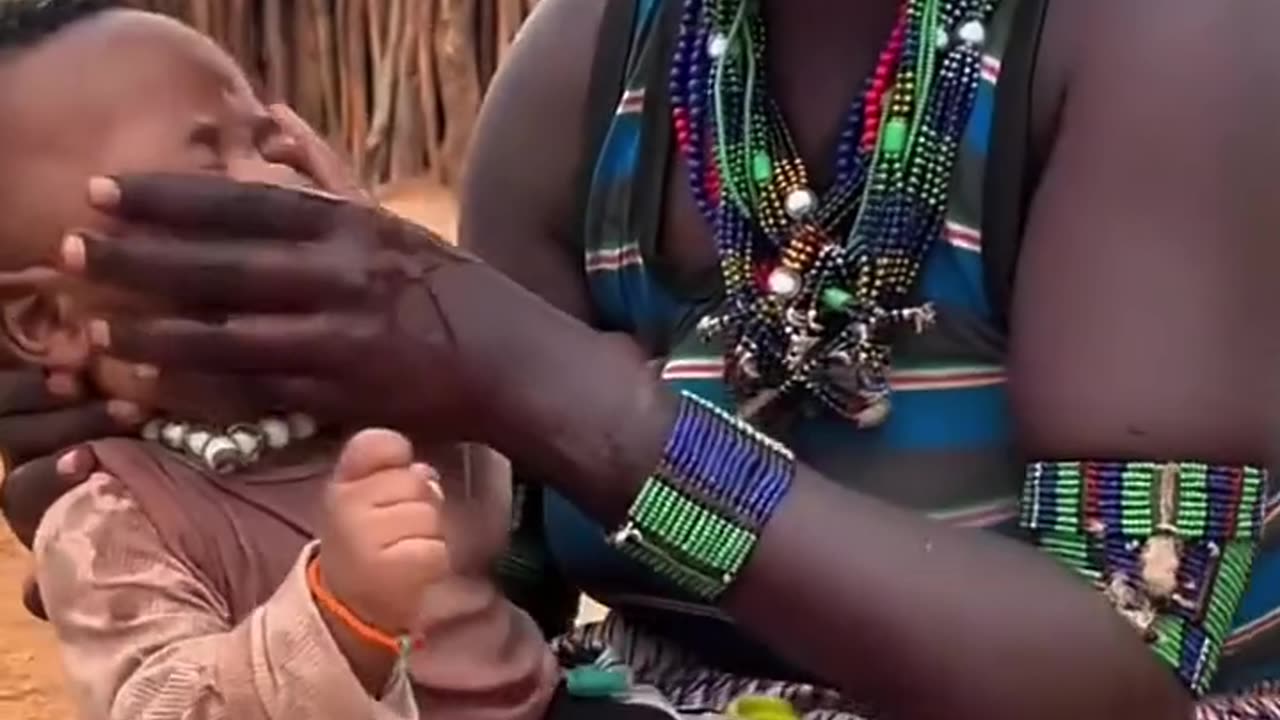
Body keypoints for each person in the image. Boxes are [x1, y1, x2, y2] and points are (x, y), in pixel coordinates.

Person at [4, 0, 1280, 718]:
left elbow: (1122, 685)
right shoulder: (583, 73)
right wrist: (235, 486)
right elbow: (485, 586)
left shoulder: (1163, 39)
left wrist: (552, 392)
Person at [0, 4, 561, 719]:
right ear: (49, 318)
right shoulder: (115, 514)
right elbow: (157, 704)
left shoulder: (373, 395)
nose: (275, 179)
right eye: (210, 161)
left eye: (271, 144)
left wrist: (393, 294)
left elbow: (490, 490)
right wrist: (337, 617)